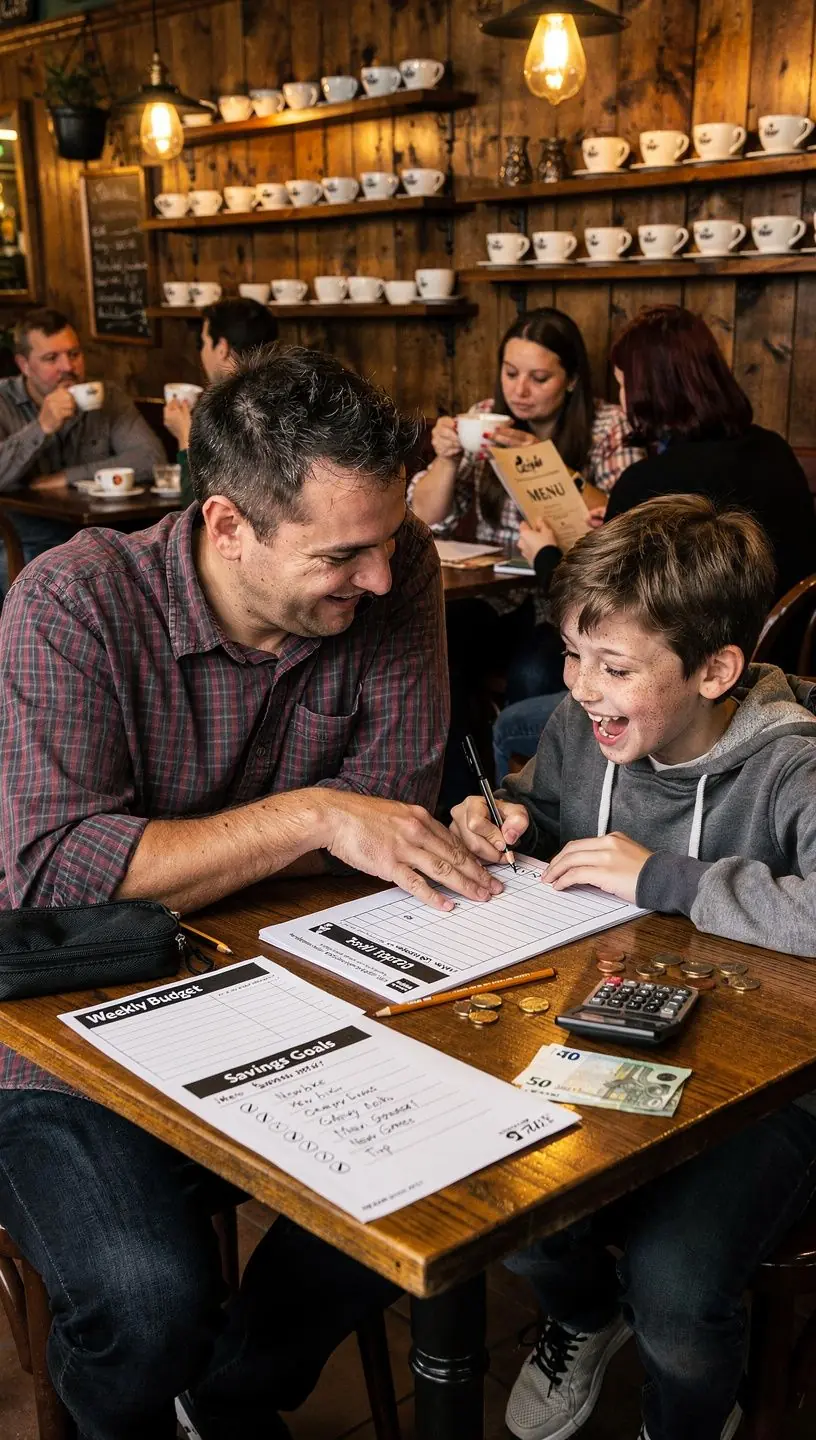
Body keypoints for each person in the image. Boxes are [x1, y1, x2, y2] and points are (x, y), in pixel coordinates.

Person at [0, 346, 503, 1440]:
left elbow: (398, 799)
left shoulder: (398, 564)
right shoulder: (72, 602)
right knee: (145, 1298)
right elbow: (56, 873)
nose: (379, 581)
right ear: (227, 525)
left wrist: (320, 829)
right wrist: (313, 815)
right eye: (342, 555)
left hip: (293, 981)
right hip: (59, 1016)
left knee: (460, 1179)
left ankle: (231, 1394)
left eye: (386, 542)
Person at [451, 495, 816, 1440]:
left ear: (715, 669)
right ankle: (581, 1314)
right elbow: (549, 802)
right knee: (502, 1202)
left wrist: (664, 877)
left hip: (771, 1085)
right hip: (607, 1034)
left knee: (678, 1287)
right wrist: (509, 819)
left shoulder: (789, 768)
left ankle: (687, 1416)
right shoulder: (584, 730)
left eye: (614, 666)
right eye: (573, 655)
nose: (579, 687)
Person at [492, 304, 816, 779]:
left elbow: (609, 617)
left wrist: (544, 554)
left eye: (624, 384)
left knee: (511, 724)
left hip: (687, 692)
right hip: (775, 674)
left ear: (649, 390)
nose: (622, 399)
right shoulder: (772, 449)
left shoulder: (653, 479)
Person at [409, 307, 642, 811]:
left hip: (563, 602)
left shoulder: (605, 427)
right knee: (433, 648)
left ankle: (538, 807)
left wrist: (541, 457)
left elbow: (626, 510)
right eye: (511, 374)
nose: (520, 390)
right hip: (496, 594)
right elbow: (423, 516)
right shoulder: (484, 416)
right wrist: (447, 458)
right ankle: (460, 803)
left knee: (538, 673)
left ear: (572, 379)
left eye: (539, 378)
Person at [0, 307, 166, 587]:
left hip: (99, 534)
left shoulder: (106, 396)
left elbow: (151, 457)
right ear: (24, 364)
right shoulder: (3, 401)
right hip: (22, 537)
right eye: (51, 358)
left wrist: (66, 478)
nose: (68, 367)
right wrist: (42, 428)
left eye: (74, 354)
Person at [163, 297, 279, 503]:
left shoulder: (236, 408)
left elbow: (201, 511)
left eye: (204, 343)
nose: (202, 353)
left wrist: (184, 437)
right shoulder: (281, 395)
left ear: (222, 348)